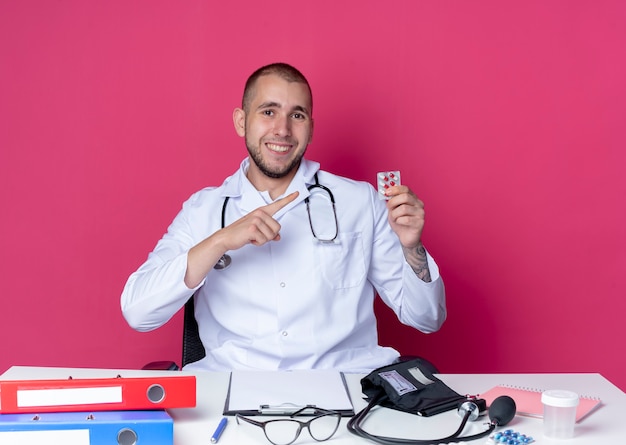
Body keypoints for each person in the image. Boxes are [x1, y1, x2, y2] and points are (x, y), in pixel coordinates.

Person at [121, 62, 446, 372]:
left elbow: (427, 318)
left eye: (297, 115)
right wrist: (219, 241)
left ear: (311, 128)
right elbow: (138, 311)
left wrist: (412, 248)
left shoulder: (361, 202)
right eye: (268, 111)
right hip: (233, 388)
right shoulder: (202, 211)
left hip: (344, 388)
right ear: (241, 121)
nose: (282, 129)